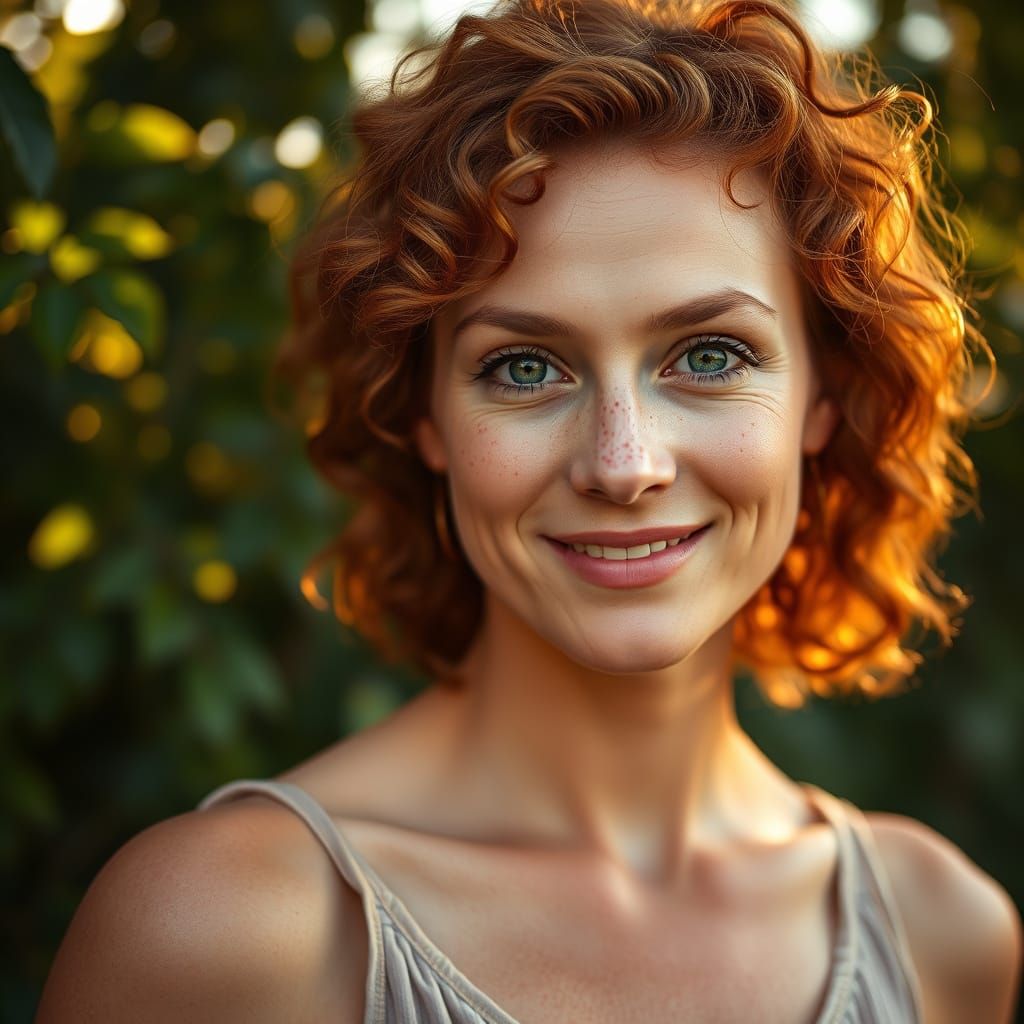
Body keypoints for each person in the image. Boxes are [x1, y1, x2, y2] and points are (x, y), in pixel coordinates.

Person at [37, 0, 1022, 1021]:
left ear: (825, 394)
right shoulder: (227, 930)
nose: (623, 463)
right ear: (422, 413)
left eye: (709, 355)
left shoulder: (940, 933)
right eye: (523, 366)